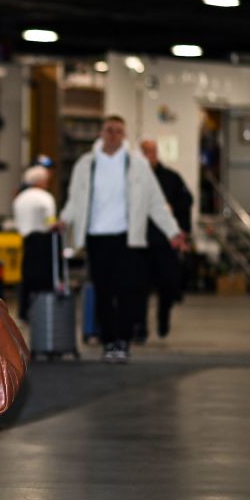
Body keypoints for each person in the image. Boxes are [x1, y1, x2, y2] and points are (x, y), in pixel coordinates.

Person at [58, 115, 187, 364]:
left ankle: (123, 341)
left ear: (124, 135)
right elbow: (74, 200)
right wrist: (64, 220)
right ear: (102, 133)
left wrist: (173, 232)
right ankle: (109, 342)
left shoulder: (138, 165)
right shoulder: (86, 164)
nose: (113, 135)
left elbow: (156, 203)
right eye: (109, 130)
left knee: (128, 292)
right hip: (97, 237)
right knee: (104, 293)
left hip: (128, 239)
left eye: (118, 131)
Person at [134, 139, 193, 341]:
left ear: (156, 153)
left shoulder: (171, 178)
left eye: (150, 151)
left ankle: (163, 319)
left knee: (167, 284)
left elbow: (187, 202)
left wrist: (183, 232)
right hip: (139, 243)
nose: (147, 155)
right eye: (143, 151)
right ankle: (139, 327)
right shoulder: (133, 179)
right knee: (138, 287)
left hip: (165, 242)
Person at [13, 165, 57, 321]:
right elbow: (51, 222)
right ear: (40, 181)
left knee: (27, 278)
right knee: (45, 278)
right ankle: (45, 310)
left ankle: (24, 312)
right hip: (43, 241)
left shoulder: (20, 198)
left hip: (26, 242)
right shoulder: (45, 197)